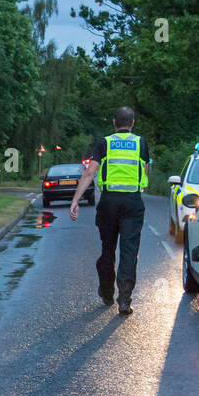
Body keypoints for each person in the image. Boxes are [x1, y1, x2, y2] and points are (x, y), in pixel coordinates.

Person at [69, 107, 151, 314]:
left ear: (114, 122)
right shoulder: (141, 143)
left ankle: (106, 290)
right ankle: (124, 299)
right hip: (132, 200)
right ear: (132, 123)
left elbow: (90, 172)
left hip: (109, 202)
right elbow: (145, 169)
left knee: (108, 249)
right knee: (129, 251)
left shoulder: (104, 143)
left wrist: (75, 200)